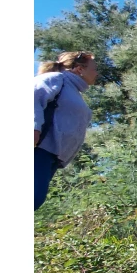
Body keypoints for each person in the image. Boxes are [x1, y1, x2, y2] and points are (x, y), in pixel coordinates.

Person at [34, 51, 97, 210]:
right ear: (79, 69)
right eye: (94, 68)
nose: (97, 73)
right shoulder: (56, 79)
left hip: (51, 156)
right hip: (39, 149)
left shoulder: (72, 90)